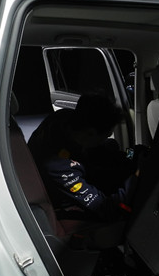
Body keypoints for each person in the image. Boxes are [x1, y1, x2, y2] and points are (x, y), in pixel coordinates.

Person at [28, 94, 138, 222]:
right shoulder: (59, 167)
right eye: (105, 135)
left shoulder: (65, 117)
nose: (106, 137)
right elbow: (105, 208)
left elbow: (99, 151)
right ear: (91, 132)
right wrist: (135, 178)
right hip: (65, 203)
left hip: (78, 162)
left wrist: (131, 155)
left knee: (113, 147)